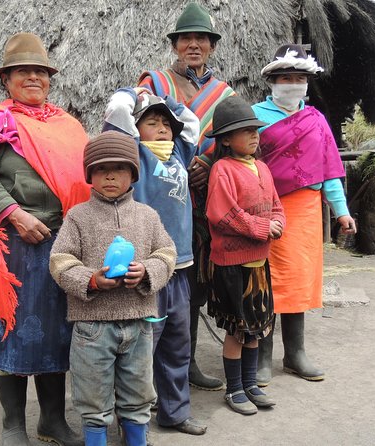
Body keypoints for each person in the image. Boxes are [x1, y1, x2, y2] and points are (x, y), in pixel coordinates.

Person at [0, 32, 89, 446]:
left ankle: (52, 421)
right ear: (6, 80)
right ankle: (13, 425)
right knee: (10, 331)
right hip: (13, 247)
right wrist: (16, 214)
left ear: (49, 79)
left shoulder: (68, 126)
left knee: (57, 333)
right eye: (22, 72)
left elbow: (84, 178)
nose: (32, 78)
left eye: (39, 72)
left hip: (61, 244)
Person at [49, 131, 177, 446]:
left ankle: (136, 439)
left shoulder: (147, 217)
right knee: (92, 396)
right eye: (101, 169)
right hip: (92, 327)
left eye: (119, 168)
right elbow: (60, 260)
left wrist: (147, 271)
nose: (109, 175)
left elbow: (167, 253)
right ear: (89, 174)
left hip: (138, 323)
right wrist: (90, 279)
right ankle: (96, 439)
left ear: (132, 174)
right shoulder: (78, 217)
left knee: (138, 392)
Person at [138, 0, 234, 393]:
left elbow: (229, 138)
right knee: (155, 271)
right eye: (186, 38)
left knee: (190, 277)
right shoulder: (156, 83)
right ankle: (145, 368)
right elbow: (137, 126)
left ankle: (187, 360)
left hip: (201, 195)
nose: (194, 44)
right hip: (160, 192)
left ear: (211, 45)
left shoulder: (223, 92)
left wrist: (208, 166)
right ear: (175, 44)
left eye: (201, 39)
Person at [103, 88, 208, 435]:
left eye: (166, 124)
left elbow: (191, 122)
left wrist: (170, 103)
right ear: (137, 128)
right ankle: (133, 421)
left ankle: (175, 413)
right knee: (139, 352)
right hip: (145, 273)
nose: (162, 128)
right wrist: (135, 92)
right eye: (152, 122)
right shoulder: (134, 157)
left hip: (179, 270)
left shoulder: (178, 153)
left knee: (177, 348)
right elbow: (118, 110)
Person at [251, 44, 357, 386]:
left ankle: (295, 354)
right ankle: (262, 356)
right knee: (266, 281)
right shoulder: (254, 116)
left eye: (299, 77)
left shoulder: (316, 120)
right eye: (286, 77)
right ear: (272, 81)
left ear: (308, 83)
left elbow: (329, 171)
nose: (293, 83)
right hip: (267, 209)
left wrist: (341, 212)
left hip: (307, 212)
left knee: (296, 280)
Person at [204, 96, 284, 415]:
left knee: (257, 328)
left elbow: (277, 205)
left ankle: (250, 383)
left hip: (259, 265)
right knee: (238, 330)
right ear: (225, 139)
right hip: (232, 265)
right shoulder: (223, 170)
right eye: (244, 130)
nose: (253, 135)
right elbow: (223, 214)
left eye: (255, 129)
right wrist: (264, 228)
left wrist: (278, 222)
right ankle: (234, 388)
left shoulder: (263, 168)